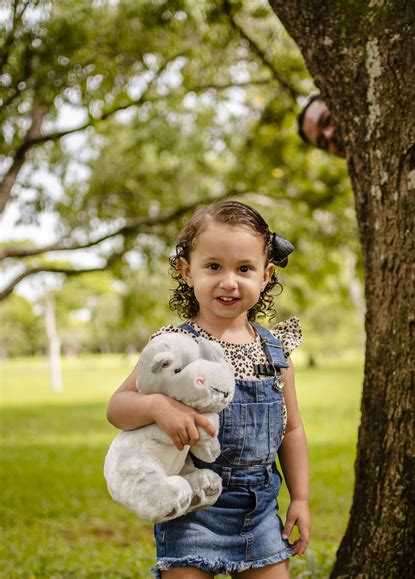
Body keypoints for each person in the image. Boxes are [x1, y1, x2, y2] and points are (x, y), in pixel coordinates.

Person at [107, 200, 311, 579]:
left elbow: (292, 429)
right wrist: (155, 406)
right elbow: (117, 406)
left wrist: (300, 498)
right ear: (187, 271)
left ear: (265, 276)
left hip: (260, 507)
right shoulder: (174, 345)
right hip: (192, 501)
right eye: (214, 266)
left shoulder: (274, 350)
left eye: (244, 268)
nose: (229, 281)